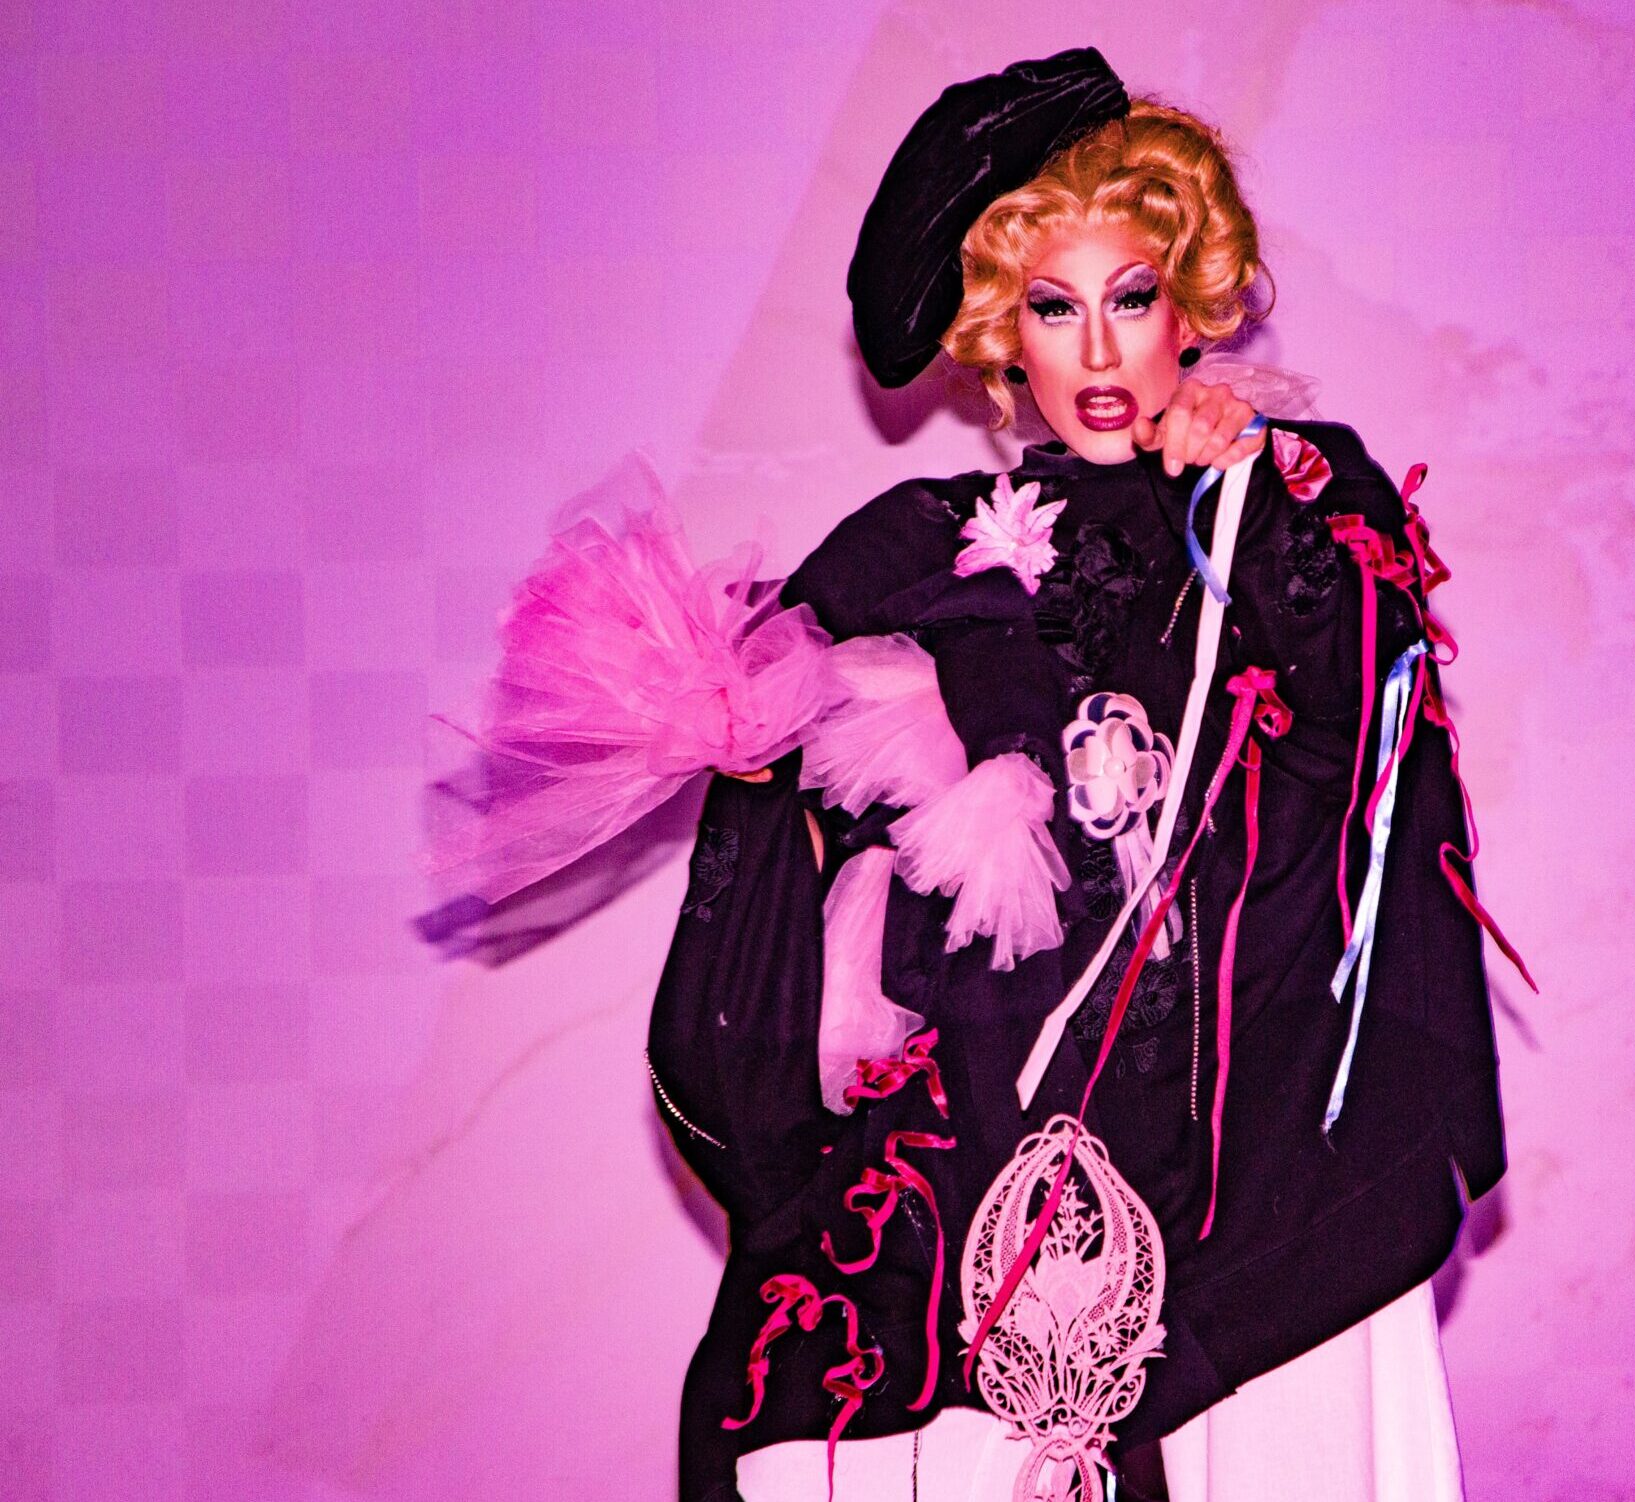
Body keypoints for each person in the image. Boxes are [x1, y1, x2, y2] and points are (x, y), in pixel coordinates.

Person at [435, 47, 1523, 1502]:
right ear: (1004, 332)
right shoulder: (924, 544)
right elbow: (774, 824)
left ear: (1189, 304)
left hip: (1252, 1164)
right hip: (984, 1182)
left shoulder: (1295, 500)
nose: (1097, 352)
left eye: (1131, 297)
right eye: (1053, 308)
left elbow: (1369, 741)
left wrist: (1252, 495)